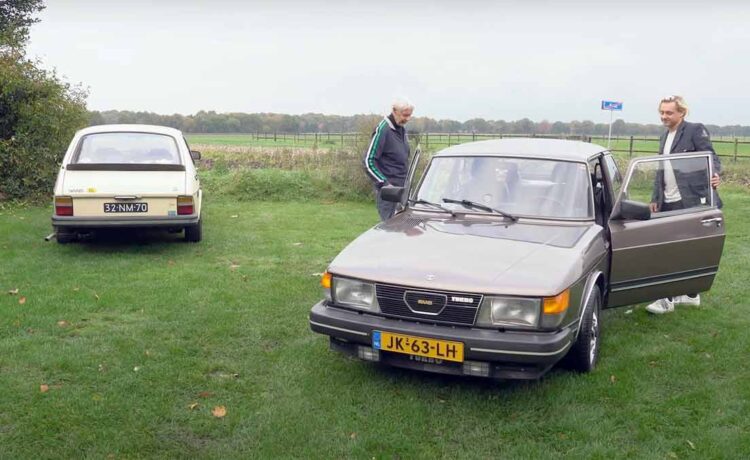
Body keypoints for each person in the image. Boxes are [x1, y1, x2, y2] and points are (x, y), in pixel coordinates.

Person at [646, 95, 722, 315]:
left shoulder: (695, 130)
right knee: (673, 247)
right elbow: (661, 170)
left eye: (669, 112)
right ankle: (690, 295)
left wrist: (715, 173)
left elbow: (711, 157)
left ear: (682, 113)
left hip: (690, 201)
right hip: (667, 201)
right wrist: (655, 198)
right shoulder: (663, 137)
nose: (664, 116)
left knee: (675, 249)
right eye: (662, 112)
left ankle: (666, 299)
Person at [363, 98, 414, 220]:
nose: (407, 119)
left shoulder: (401, 129)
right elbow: (368, 162)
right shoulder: (383, 130)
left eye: (409, 115)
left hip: (404, 192)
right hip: (389, 195)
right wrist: (385, 185)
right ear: (394, 111)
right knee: (391, 232)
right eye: (404, 115)